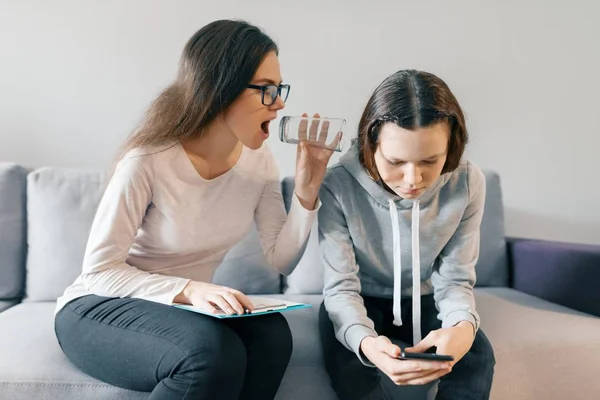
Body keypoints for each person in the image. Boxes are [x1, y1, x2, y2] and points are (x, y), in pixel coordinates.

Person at [54, 19, 335, 400]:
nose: (281, 103)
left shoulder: (260, 162)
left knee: (271, 337)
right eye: (267, 91)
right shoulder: (148, 161)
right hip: (100, 307)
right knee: (210, 352)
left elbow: (281, 260)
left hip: (183, 312)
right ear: (222, 89)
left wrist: (306, 192)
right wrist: (188, 290)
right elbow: (101, 272)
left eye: (279, 89)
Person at [318, 69, 495, 400]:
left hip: (426, 296)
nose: (413, 178)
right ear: (372, 145)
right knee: (346, 355)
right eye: (395, 161)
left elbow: (455, 280)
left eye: (431, 160)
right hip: (361, 296)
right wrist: (368, 344)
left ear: (451, 146)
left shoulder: (467, 183)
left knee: (477, 355)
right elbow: (341, 288)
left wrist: (462, 328)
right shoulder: (337, 185)